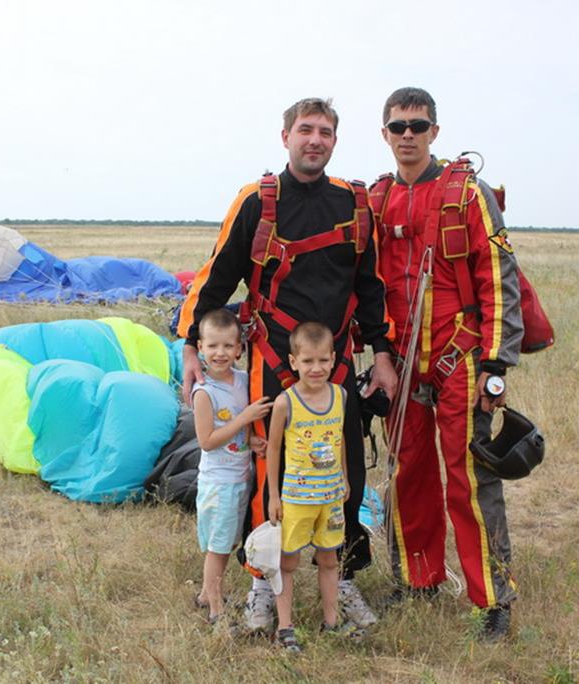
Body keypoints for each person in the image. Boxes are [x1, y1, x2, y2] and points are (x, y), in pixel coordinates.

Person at [177, 97, 397, 633]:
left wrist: (382, 353)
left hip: (333, 364)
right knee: (267, 467)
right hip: (273, 360)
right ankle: (262, 580)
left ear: (335, 141)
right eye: (305, 130)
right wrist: (190, 344)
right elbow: (217, 275)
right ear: (286, 137)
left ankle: (342, 576)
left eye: (325, 132)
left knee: (343, 468)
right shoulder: (256, 201)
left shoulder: (355, 204)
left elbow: (371, 286)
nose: (315, 140)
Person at [372, 87, 524, 642]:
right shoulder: (377, 200)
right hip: (399, 362)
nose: (408, 135)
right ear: (385, 134)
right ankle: (419, 580)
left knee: (470, 478)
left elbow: (498, 278)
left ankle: (492, 599)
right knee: (408, 471)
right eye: (398, 126)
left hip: (460, 357)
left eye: (418, 125)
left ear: (434, 131)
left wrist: (495, 363)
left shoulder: (467, 193)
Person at [265, 322, 350, 652]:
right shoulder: (285, 403)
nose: (316, 368)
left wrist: (344, 478)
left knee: (329, 559)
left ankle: (332, 621)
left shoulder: (340, 396)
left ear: (333, 359)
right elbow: (274, 448)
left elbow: (340, 439)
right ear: (293, 361)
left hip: (330, 499)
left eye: (323, 360)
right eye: (308, 361)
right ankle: (285, 627)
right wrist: (274, 496)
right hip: (297, 499)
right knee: (287, 562)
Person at [191, 308, 272, 625]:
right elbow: (207, 441)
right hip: (218, 483)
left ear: (239, 348)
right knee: (218, 548)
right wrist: (244, 419)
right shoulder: (204, 392)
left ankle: (204, 594)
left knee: (228, 542)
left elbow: (241, 430)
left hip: (241, 477)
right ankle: (216, 609)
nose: (220, 353)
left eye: (227, 345)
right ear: (200, 347)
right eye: (212, 346)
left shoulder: (243, 380)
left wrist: (251, 439)